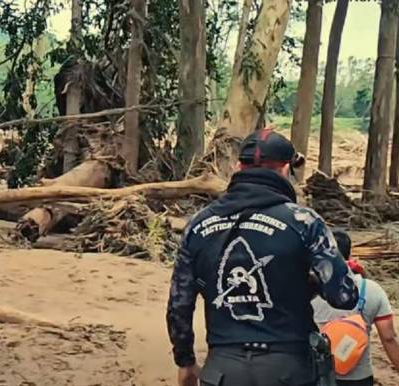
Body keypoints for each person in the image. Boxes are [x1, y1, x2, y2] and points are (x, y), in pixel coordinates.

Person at [166, 129, 358, 386]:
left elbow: (178, 305)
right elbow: (344, 296)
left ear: (238, 167)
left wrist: (185, 362)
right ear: (286, 169)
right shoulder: (303, 221)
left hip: (222, 369)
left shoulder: (198, 225)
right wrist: (309, 282)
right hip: (289, 369)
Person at [312, 229, 399, 386]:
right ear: (349, 254)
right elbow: (388, 338)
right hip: (359, 377)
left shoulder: (309, 289)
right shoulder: (371, 289)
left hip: (317, 375)